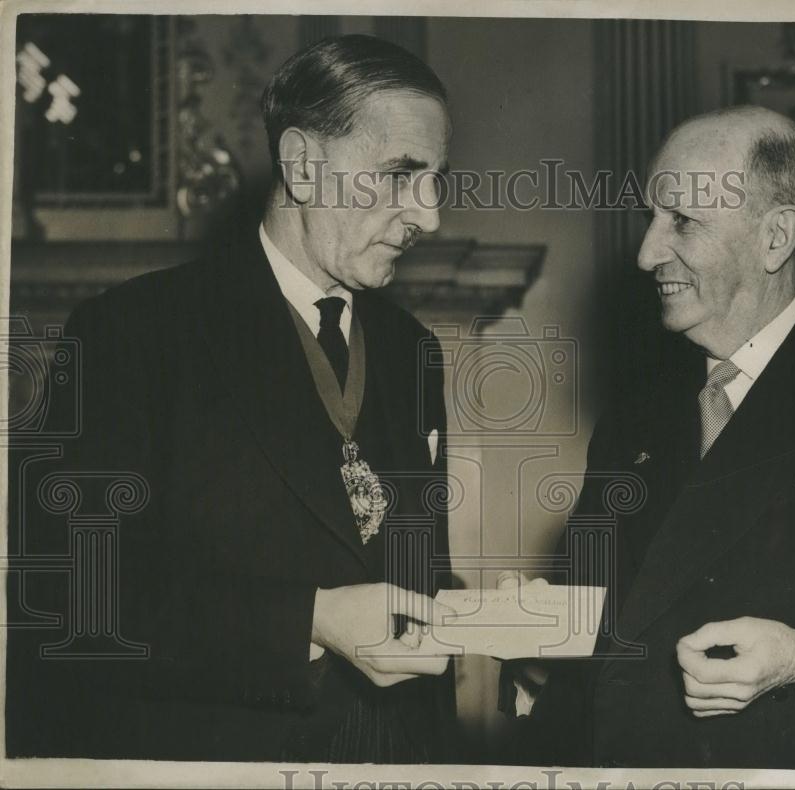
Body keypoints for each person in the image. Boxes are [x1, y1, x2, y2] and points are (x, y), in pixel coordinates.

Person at [7, 35, 458, 762]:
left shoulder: (413, 352)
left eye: (437, 180)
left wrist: (485, 625)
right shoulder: (132, 331)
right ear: (304, 166)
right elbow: (76, 604)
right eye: (401, 175)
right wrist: (312, 621)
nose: (429, 216)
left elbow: (403, 564)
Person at [501, 105, 795, 769]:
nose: (646, 254)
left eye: (682, 222)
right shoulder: (631, 422)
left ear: (775, 237)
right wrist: (537, 647)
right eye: (650, 218)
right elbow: (601, 645)